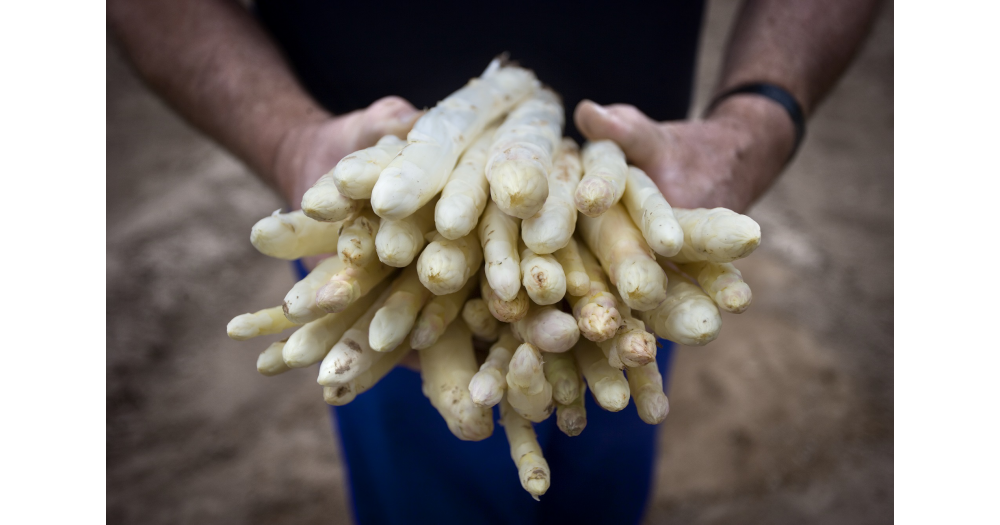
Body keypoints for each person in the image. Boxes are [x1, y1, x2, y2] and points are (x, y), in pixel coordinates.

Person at [109, 1, 879, 523]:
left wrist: (756, 117)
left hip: (634, 248)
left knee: (605, 468)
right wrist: (289, 141)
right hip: (380, 250)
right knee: (433, 490)